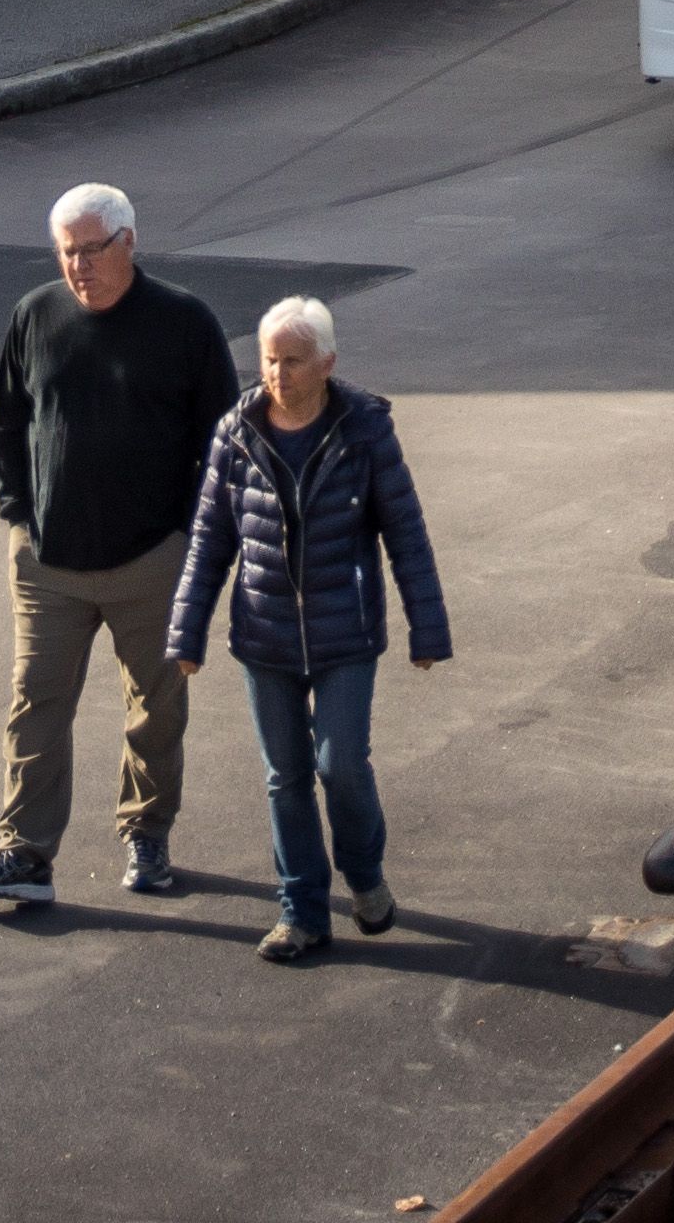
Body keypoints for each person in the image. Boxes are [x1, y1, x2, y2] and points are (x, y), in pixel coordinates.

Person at [0, 180, 241, 914]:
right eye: (66, 252)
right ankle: (24, 852)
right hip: (48, 562)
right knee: (36, 702)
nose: (77, 265)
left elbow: (225, 445)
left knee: (155, 706)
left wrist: (191, 541)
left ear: (129, 243)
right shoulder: (36, 316)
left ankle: (146, 833)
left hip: (151, 559)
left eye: (91, 249)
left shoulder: (184, 323)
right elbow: (6, 424)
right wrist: (18, 512)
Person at [163, 289, 450, 966]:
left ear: (326, 363)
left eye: (293, 361)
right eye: (268, 360)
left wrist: (427, 630)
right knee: (284, 776)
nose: (278, 375)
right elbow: (209, 539)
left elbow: (405, 532)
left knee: (340, 765)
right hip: (264, 637)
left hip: (345, 632)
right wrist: (187, 633)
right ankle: (301, 911)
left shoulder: (364, 431)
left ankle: (364, 873)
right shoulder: (236, 434)